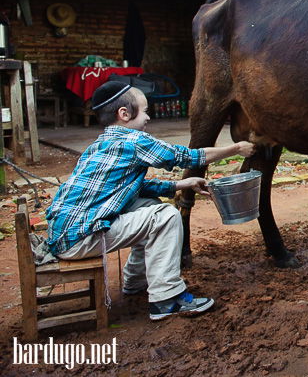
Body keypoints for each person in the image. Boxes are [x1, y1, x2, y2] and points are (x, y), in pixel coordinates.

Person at [46, 80, 256, 320]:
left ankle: (135, 281)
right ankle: (166, 300)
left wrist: (180, 184)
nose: (148, 117)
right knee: (166, 216)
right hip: (80, 238)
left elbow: (132, 188)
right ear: (124, 114)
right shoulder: (133, 141)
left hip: (65, 233)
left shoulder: (100, 144)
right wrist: (236, 148)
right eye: (144, 110)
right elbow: (187, 157)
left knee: (150, 205)